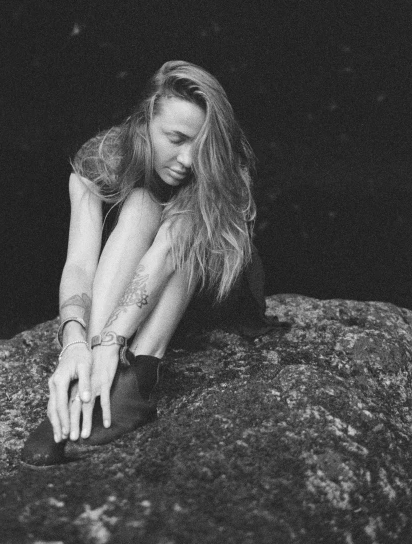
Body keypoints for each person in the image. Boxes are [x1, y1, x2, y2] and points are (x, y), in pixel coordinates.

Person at [22, 60, 284, 466]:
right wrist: (75, 343)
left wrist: (111, 342)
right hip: (136, 292)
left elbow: (165, 254)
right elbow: (79, 265)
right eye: (176, 138)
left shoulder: (216, 173)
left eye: (201, 146)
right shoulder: (99, 165)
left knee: (182, 224)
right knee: (142, 202)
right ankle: (91, 381)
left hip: (207, 287)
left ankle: (138, 376)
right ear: (144, 121)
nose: (187, 159)